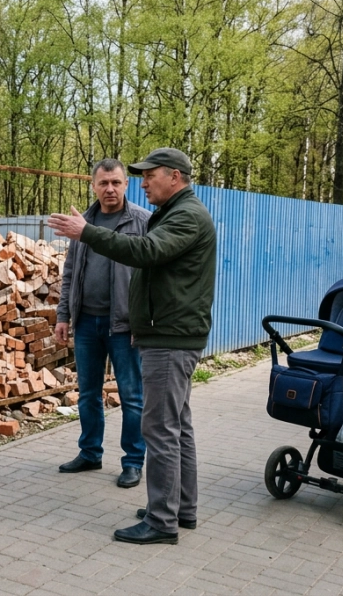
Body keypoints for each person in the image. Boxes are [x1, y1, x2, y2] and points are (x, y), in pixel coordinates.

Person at [47, 147, 216, 545]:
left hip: (169, 335)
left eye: (149, 175)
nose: (143, 183)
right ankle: (180, 508)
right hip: (166, 331)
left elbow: (145, 252)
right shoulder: (176, 212)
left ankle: (161, 521)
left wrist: (87, 232)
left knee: (158, 428)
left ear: (174, 176)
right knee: (177, 427)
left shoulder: (185, 215)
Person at [54, 159, 150, 489]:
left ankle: (133, 462)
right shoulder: (84, 222)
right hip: (86, 323)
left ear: (126, 185)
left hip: (124, 325)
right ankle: (90, 452)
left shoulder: (141, 221)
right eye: (103, 183)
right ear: (93, 186)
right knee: (88, 394)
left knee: (132, 396)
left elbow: (152, 275)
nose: (110, 189)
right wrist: (63, 316)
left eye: (116, 183)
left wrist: (145, 320)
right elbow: (69, 273)